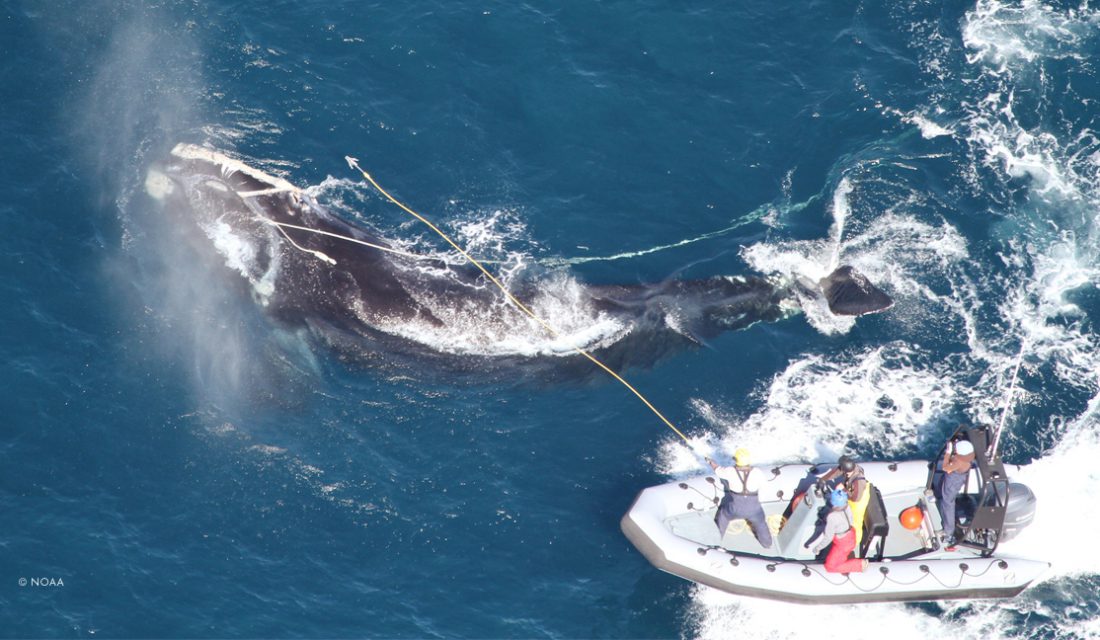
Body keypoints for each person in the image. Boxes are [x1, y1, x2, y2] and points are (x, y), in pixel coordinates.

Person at [707, 448, 773, 548]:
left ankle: (715, 542)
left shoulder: (729, 471)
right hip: (754, 510)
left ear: (736, 460)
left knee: (723, 516)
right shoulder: (757, 472)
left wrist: (710, 461)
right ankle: (767, 543)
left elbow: (717, 469)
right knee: (761, 523)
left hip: (734, 509)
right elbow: (765, 487)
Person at [805, 488, 869, 574]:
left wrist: (817, 548)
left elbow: (828, 537)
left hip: (843, 544)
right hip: (851, 535)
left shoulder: (832, 517)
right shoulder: (847, 506)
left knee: (830, 567)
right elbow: (851, 520)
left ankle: (860, 565)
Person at [818, 455, 872, 548]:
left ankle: (855, 542)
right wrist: (823, 480)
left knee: (855, 521)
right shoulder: (847, 469)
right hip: (851, 491)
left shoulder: (859, 480)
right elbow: (836, 472)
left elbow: (856, 498)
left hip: (858, 500)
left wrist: (844, 490)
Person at [935, 437, 976, 548]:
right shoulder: (968, 456)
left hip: (953, 480)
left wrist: (948, 453)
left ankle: (948, 532)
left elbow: (945, 467)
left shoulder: (958, 461)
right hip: (957, 478)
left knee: (948, 502)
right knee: (946, 498)